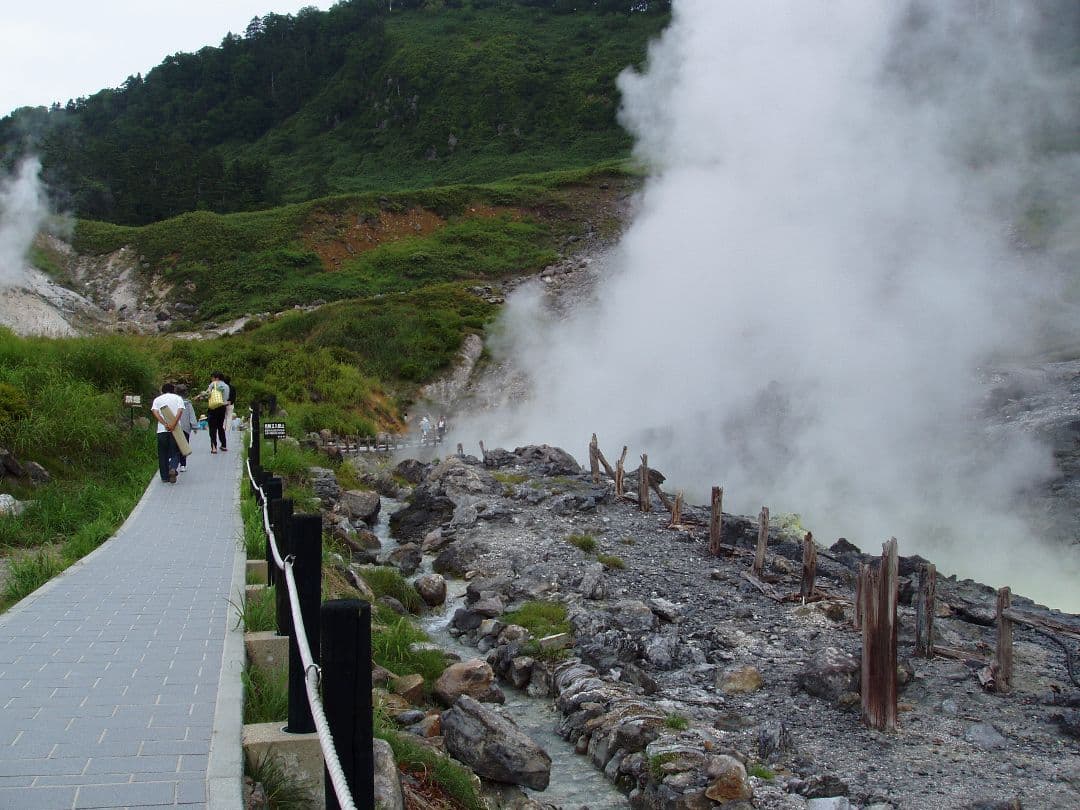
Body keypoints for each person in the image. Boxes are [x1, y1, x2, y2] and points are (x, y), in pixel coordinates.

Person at [151, 383, 185, 484]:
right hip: (175, 430)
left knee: (163, 453)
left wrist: (164, 423)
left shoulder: (157, 399)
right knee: (175, 451)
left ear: (162, 390)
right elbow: (180, 411)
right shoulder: (178, 398)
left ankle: (165, 477)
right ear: (173, 390)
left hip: (162, 430)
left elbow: (155, 412)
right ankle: (173, 467)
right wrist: (173, 424)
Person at [196, 372, 230, 454]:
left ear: (216, 378)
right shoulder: (226, 386)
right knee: (220, 427)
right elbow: (226, 398)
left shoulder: (213, 384)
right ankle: (224, 445)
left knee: (212, 428)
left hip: (213, 408)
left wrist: (199, 397)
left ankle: (214, 447)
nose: (211, 379)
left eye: (212, 378)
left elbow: (207, 394)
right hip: (222, 408)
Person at [175, 384, 198, 473]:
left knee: (175, 445)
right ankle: (183, 465)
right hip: (185, 428)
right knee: (184, 446)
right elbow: (192, 415)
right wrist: (194, 426)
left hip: (175, 427)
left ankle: (173, 464)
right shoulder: (188, 404)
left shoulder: (173, 402)